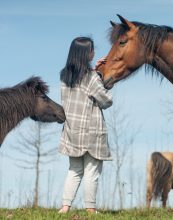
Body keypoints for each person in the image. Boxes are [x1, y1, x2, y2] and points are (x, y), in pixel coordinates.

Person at [58, 37, 113, 214]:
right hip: (91, 132)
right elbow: (106, 101)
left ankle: (65, 207)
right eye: (92, 50)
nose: (94, 52)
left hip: (72, 131)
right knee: (92, 172)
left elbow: (81, 88)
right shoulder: (91, 78)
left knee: (74, 171)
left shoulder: (64, 75)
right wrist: (97, 75)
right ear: (86, 54)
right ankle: (90, 209)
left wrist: (94, 70)